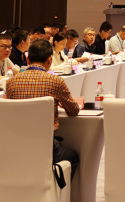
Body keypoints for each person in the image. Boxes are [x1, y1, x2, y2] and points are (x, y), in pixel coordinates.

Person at [5, 39, 80, 177]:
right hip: (46, 144)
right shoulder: (56, 81)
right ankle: (56, 188)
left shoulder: (11, 82)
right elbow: (73, 110)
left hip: (16, 144)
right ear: (50, 59)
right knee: (73, 156)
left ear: (28, 59)